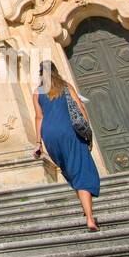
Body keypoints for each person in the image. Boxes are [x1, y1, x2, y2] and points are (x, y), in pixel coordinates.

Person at [33, 62, 100, 231]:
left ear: (41, 74)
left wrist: (38, 143)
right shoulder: (65, 86)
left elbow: (39, 117)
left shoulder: (37, 92)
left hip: (50, 136)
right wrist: (88, 131)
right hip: (70, 131)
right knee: (82, 170)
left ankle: (86, 209)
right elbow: (80, 107)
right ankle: (90, 219)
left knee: (70, 169)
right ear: (55, 71)